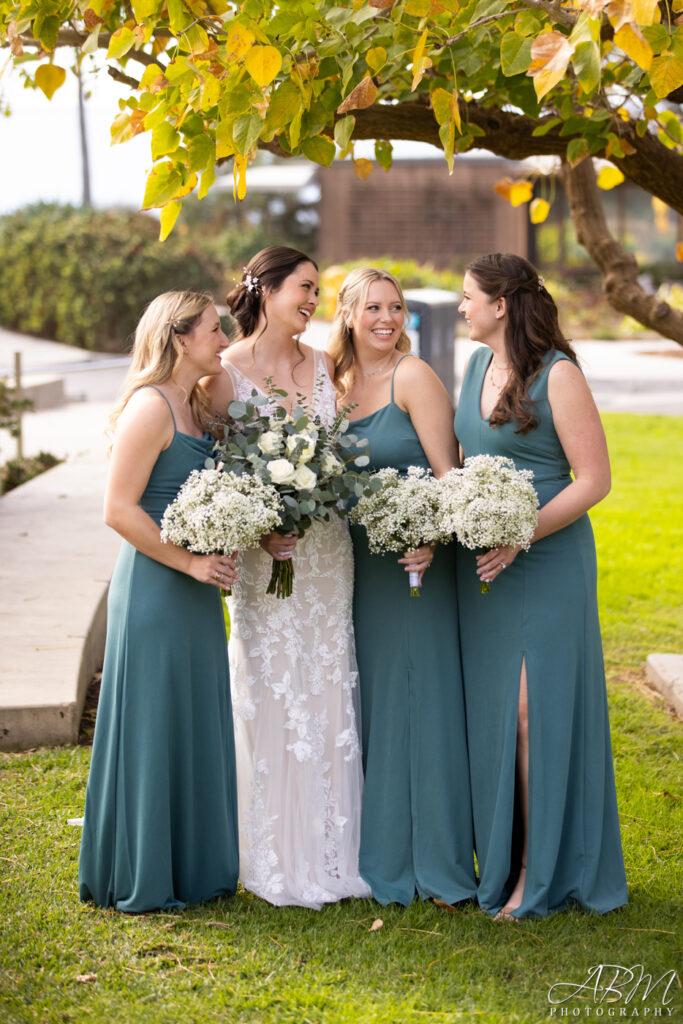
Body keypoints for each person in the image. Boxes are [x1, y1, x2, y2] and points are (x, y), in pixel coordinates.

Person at [455, 253, 627, 920]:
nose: (461, 306)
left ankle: (539, 873)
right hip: (484, 567)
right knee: (500, 715)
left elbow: (593, 480)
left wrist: (518, 533)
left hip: (546, 560)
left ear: (500, 305)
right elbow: (466, 460)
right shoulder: (473, 368)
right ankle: (498, 858)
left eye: (469, 296)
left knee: (534, 714)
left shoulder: (558, 375)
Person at [204, 246, 370, 909]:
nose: (312, 300)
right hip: (262, 558)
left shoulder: (327, 366)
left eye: (316, 290)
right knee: (272, 681)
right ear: (265, 291)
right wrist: (256, 529)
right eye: (303, 288)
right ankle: (270, 851)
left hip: (327, 551)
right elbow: (213, 474)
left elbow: (336, 453)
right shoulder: (223, 375)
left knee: (329, 678)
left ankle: (334, 850)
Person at [79, 291, 240, 913]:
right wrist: (191, 562)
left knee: (192, 715)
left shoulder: (197, 402)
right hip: (157, 585)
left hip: (197, 587)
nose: (223, 341)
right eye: (213, 331)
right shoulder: (152, 408)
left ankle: (194, 868)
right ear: (179, 338)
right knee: (153, 721)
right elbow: (117, 510)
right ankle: (145, 871)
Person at [328, 267, 477, 907]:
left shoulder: (413, 377)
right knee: (376, 702)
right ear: (348, 315)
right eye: (373, 308)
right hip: (356, 569)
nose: (387, 319)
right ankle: (378, 850)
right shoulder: (331, 385)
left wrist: (432, 537)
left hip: (416, 566)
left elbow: (453, 479)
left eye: (396, 307)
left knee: (421, 698)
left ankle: (436, 861)